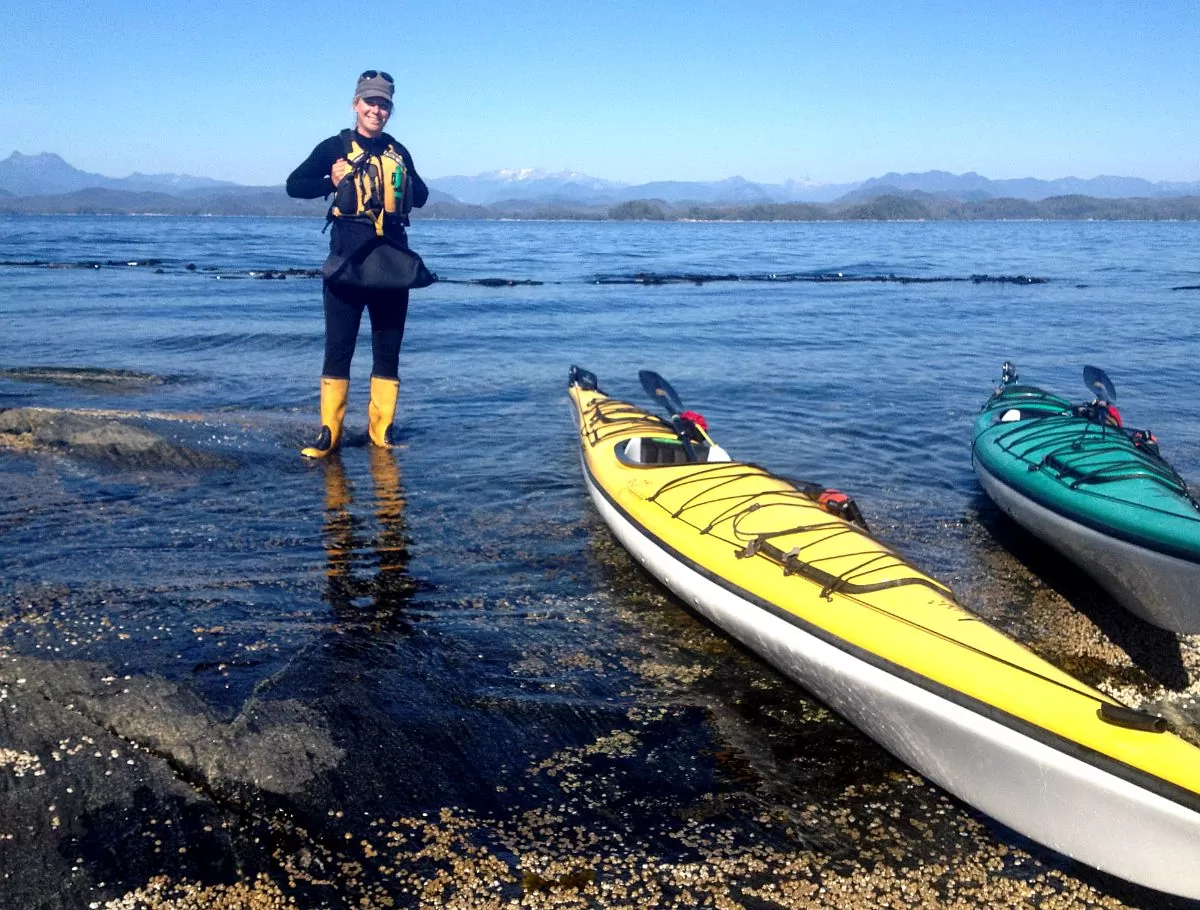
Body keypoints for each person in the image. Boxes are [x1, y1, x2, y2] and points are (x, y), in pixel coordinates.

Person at [286, 69, 430, 458]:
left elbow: (422, 197)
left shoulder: (398, 150)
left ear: (389, 110)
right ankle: (329, 434)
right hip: (346, 269)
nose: (377, 110)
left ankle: (380, 432)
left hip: (390, 270)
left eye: (383, 104)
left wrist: (402, 183)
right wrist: (330, 182)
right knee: (338, 350)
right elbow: (294, 185)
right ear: (355, 105)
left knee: (388, 352)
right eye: (370, 102)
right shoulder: (333, 146)